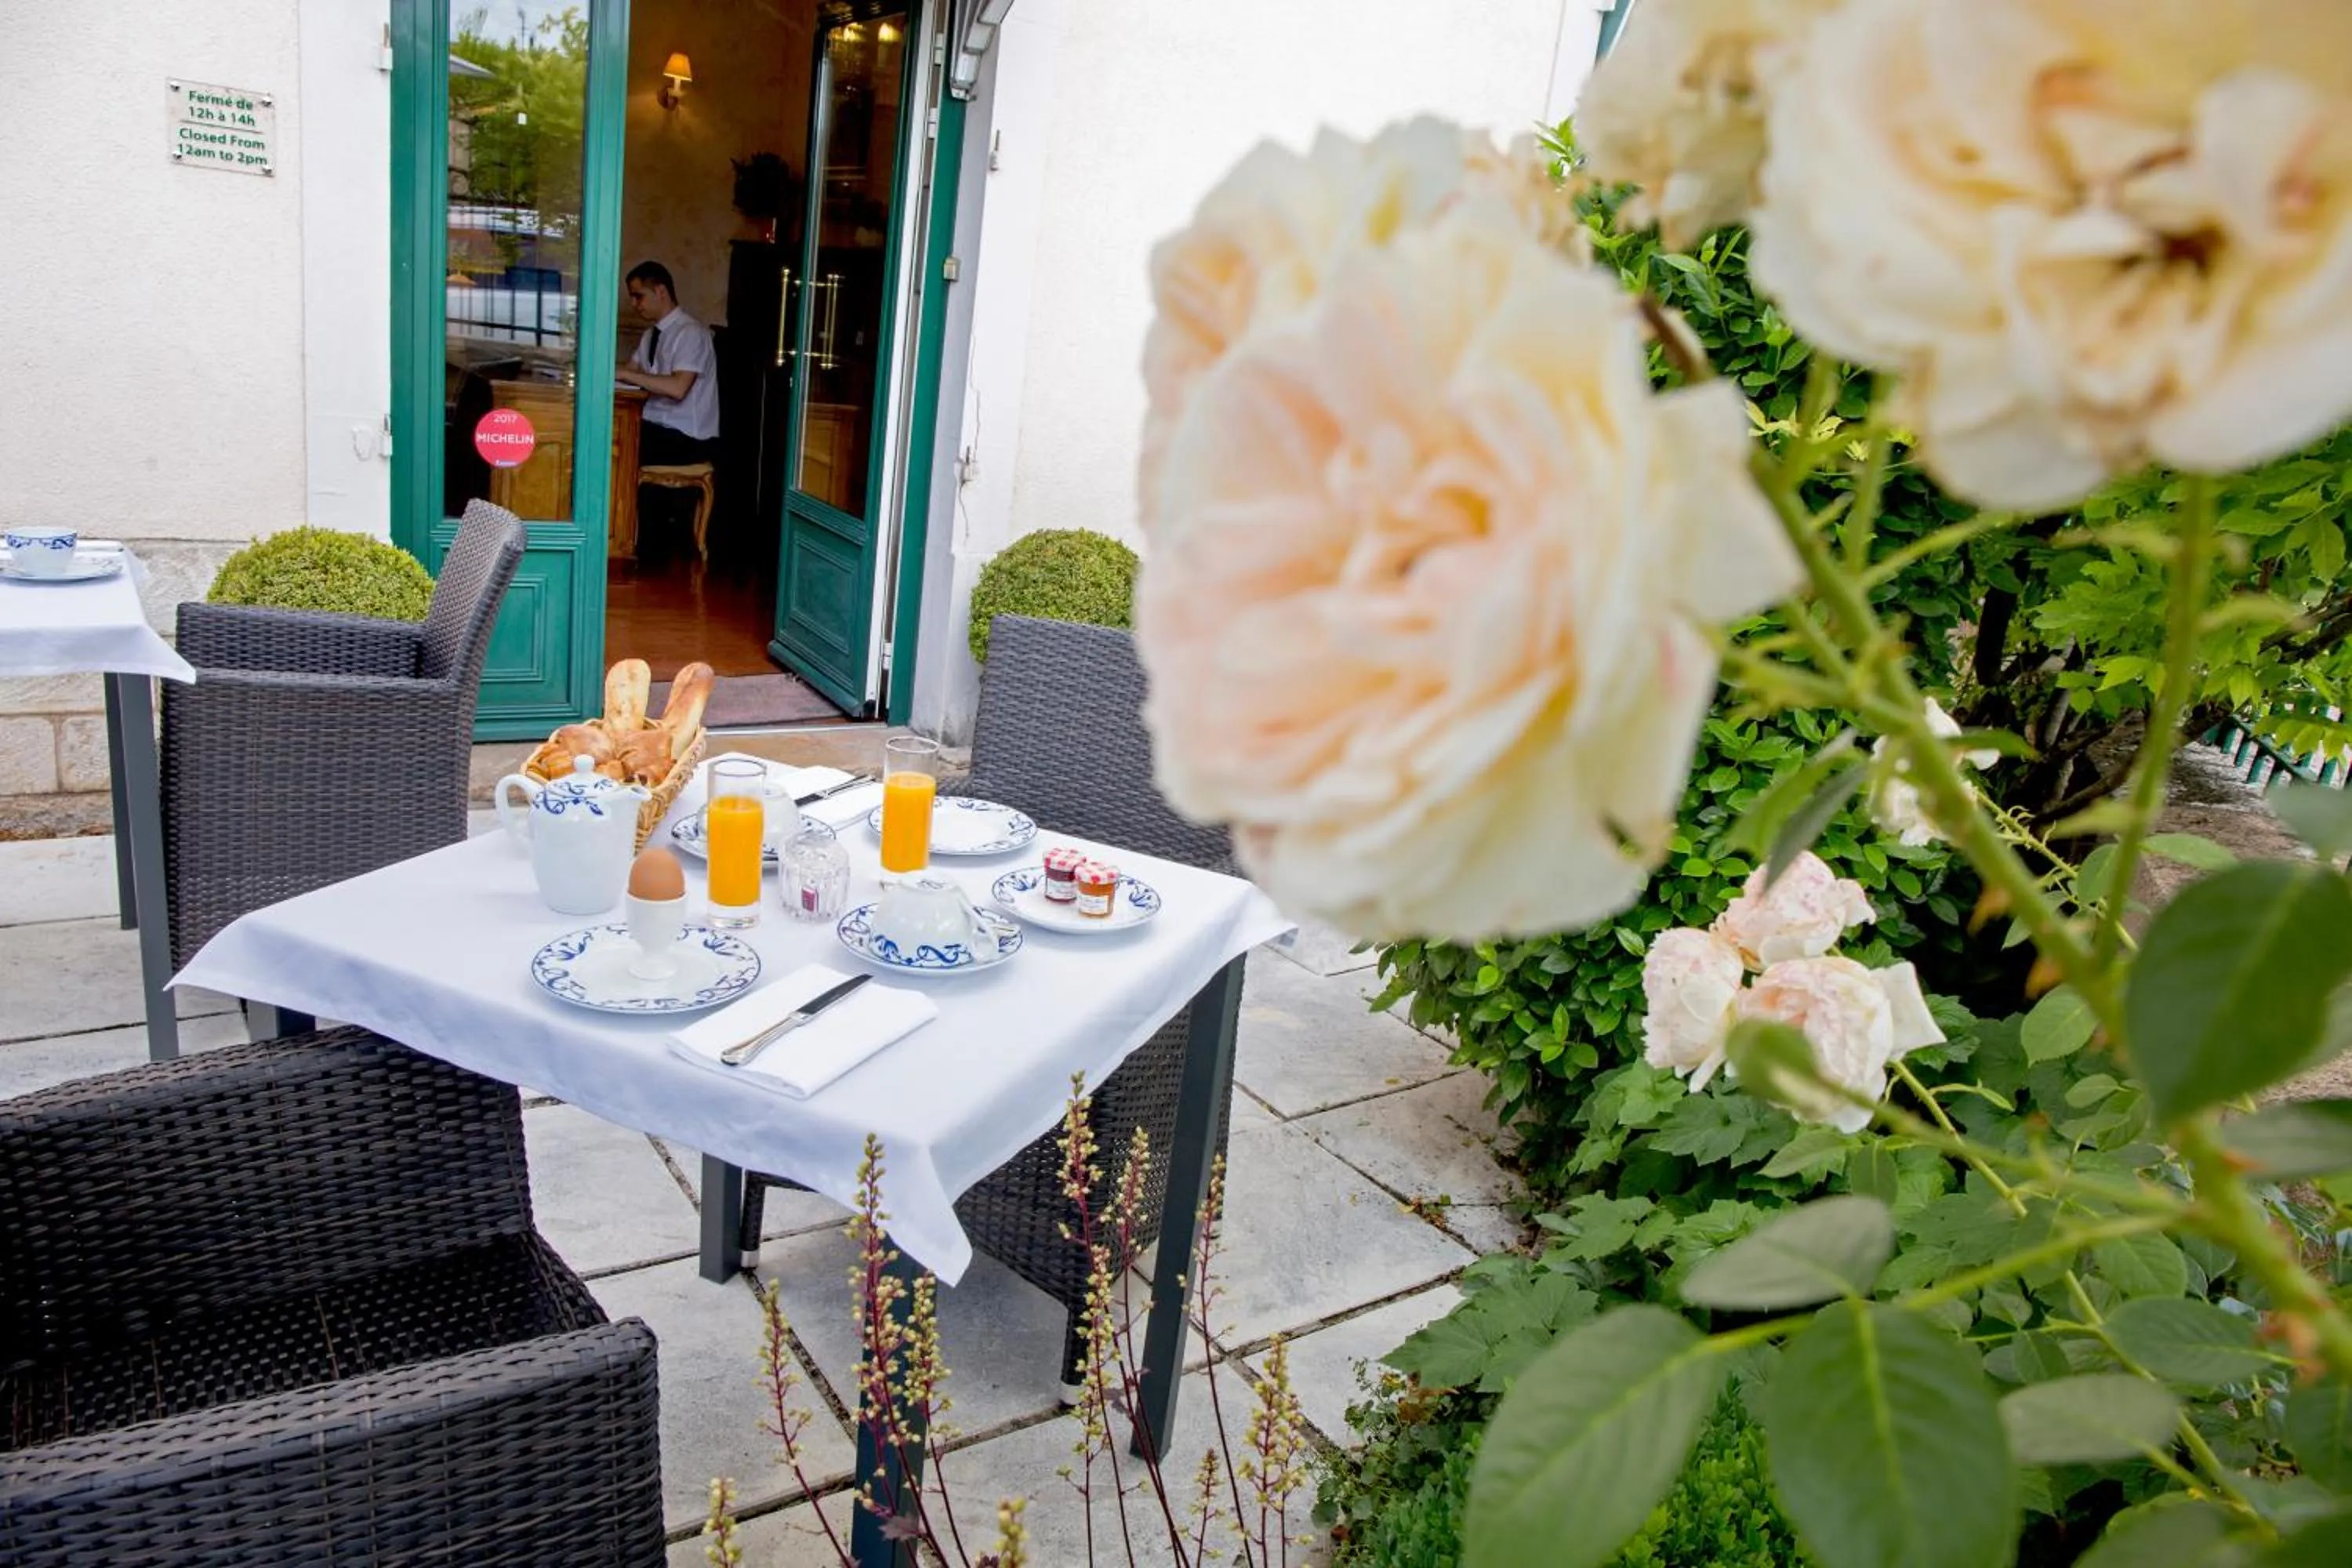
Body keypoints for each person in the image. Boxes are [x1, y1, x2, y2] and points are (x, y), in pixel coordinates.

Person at [615, 260, 720, 466]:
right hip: (656, 428)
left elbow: (678, 388)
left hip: (687, 436)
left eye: (639, 296)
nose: (635, 305)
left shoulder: (692, 332)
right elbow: (629, 372)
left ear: (661, 291)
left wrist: (624, 374)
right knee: (611, 432)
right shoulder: (650, 335)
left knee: (619, 444)